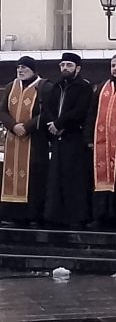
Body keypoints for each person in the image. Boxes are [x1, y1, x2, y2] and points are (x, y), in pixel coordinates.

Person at [42, 53, 92, 227]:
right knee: (56, 178)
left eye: (69, 65)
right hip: (58, 138)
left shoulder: (84, 87)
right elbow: (47, 108)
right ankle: (54, 216)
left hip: (74, 137)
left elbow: (80, 110)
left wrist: (60, 124)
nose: (65, 68)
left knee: (74, 178)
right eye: (62, 65)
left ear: (77, 68)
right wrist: (53, 125)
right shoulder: (55, 87)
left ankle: (76, 217)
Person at [0, 56, 51, 225]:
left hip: (35, 140)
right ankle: (11, 213)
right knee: (11, 176)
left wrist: (27, 127)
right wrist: (13, 126)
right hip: (13, 139)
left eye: (24, 68)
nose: (20, 70)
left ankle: (33, 214)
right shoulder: (11, 86)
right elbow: (2, 111)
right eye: (18, 67)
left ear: (33, 70)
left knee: (34, 176)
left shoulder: (43, 87)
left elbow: (46, 112)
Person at [87, 53, 116, 227]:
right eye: (113, 65)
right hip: (102, 141)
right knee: (101, 179)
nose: (115, 69)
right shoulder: (102, 87)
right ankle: (101, 216)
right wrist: (89, 137)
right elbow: (92, 112)